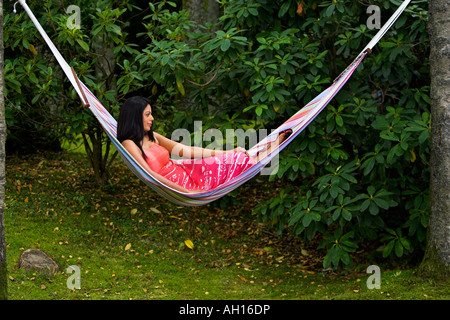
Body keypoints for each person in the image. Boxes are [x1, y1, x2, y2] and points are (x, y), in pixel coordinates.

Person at [117, 96, 290, 193]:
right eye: (148, 114)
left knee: (236, 156)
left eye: (151, 114)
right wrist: (185, 192)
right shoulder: (129, 144)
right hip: (184, 185)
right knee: (238, 161)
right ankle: (271, 148)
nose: (152, 118)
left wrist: (228, 150)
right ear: (134, 116)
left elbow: (186, 150)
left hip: (188, 170)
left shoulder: (152, 136)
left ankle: (265, 150)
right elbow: (150, 175)